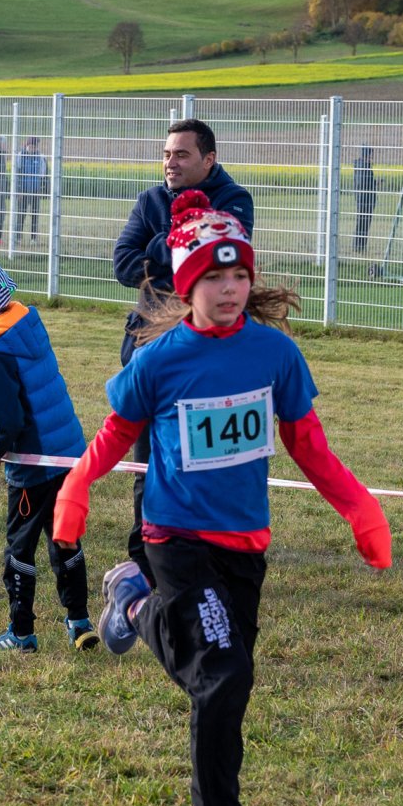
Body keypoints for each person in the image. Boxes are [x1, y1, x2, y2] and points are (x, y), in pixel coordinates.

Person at [54, 191, 392, 806]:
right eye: (214, 276)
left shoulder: (275, 354)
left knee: (224, 684)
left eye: (239, 274)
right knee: (223, 675)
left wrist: (360, 509)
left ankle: (134, 605)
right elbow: (114, 435)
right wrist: (76, 489)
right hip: (175, 536)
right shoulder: (158, 361)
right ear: (187, 284)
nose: (230, 288)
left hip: (245, 545)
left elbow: (308, 445)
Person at [112, 118, 254, 585]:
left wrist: (163, 252)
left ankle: (209, 551)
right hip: (151, 352)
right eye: (167, 154)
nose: (170, 163)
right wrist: (173, 237)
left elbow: (214, 267)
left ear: (209, 159)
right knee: (148, 462)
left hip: (210, 359)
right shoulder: (150, 201)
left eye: (182, 154)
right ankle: (145, 559)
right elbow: (123, 265)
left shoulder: (234, 201)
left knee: (206, 460)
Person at [0, 258, 95, 653]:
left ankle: (21, 632)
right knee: (65, 537)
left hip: (33, 467)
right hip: (67, 454)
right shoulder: (25, 326)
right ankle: (79, 620)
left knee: (20, 547)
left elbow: (9, 420)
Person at [13, 136, 48, 245]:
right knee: (21, 215)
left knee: (34, 216)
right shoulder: (20, 156)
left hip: (35, 191)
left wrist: (43, 190)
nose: (33, 148)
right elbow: (16, 175)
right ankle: (18, 238)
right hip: (23, 192)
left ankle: (33, 238)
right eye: (31, 146)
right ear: (27, 145)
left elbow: (43, 175)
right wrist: (18, 190)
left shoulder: (41, 158)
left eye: (35, 146)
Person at [353, 146, 376, 253]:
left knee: (362, 222)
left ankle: (360, 246)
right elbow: (364, 183)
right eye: (371, 155)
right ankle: (360, 246)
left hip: (361, 198)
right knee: (364, 223)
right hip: (366, 199)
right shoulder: (364, 166)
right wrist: (374, 184)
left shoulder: (359, 165)